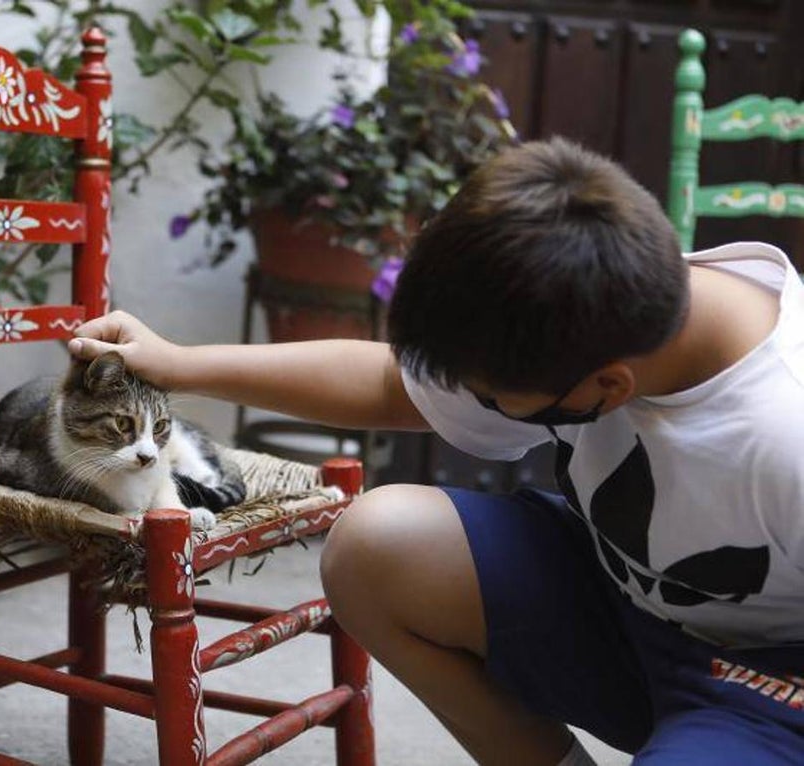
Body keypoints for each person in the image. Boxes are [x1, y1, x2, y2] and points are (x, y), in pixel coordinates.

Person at [67, 138, 804, 765]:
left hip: (766, 685)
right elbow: (393, 385)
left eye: (487, 397)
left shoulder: (786, 431)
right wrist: (176, 362)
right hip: (619, 603)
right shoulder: (592, 286)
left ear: (608, 386)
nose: (469, 403)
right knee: (377, 544)